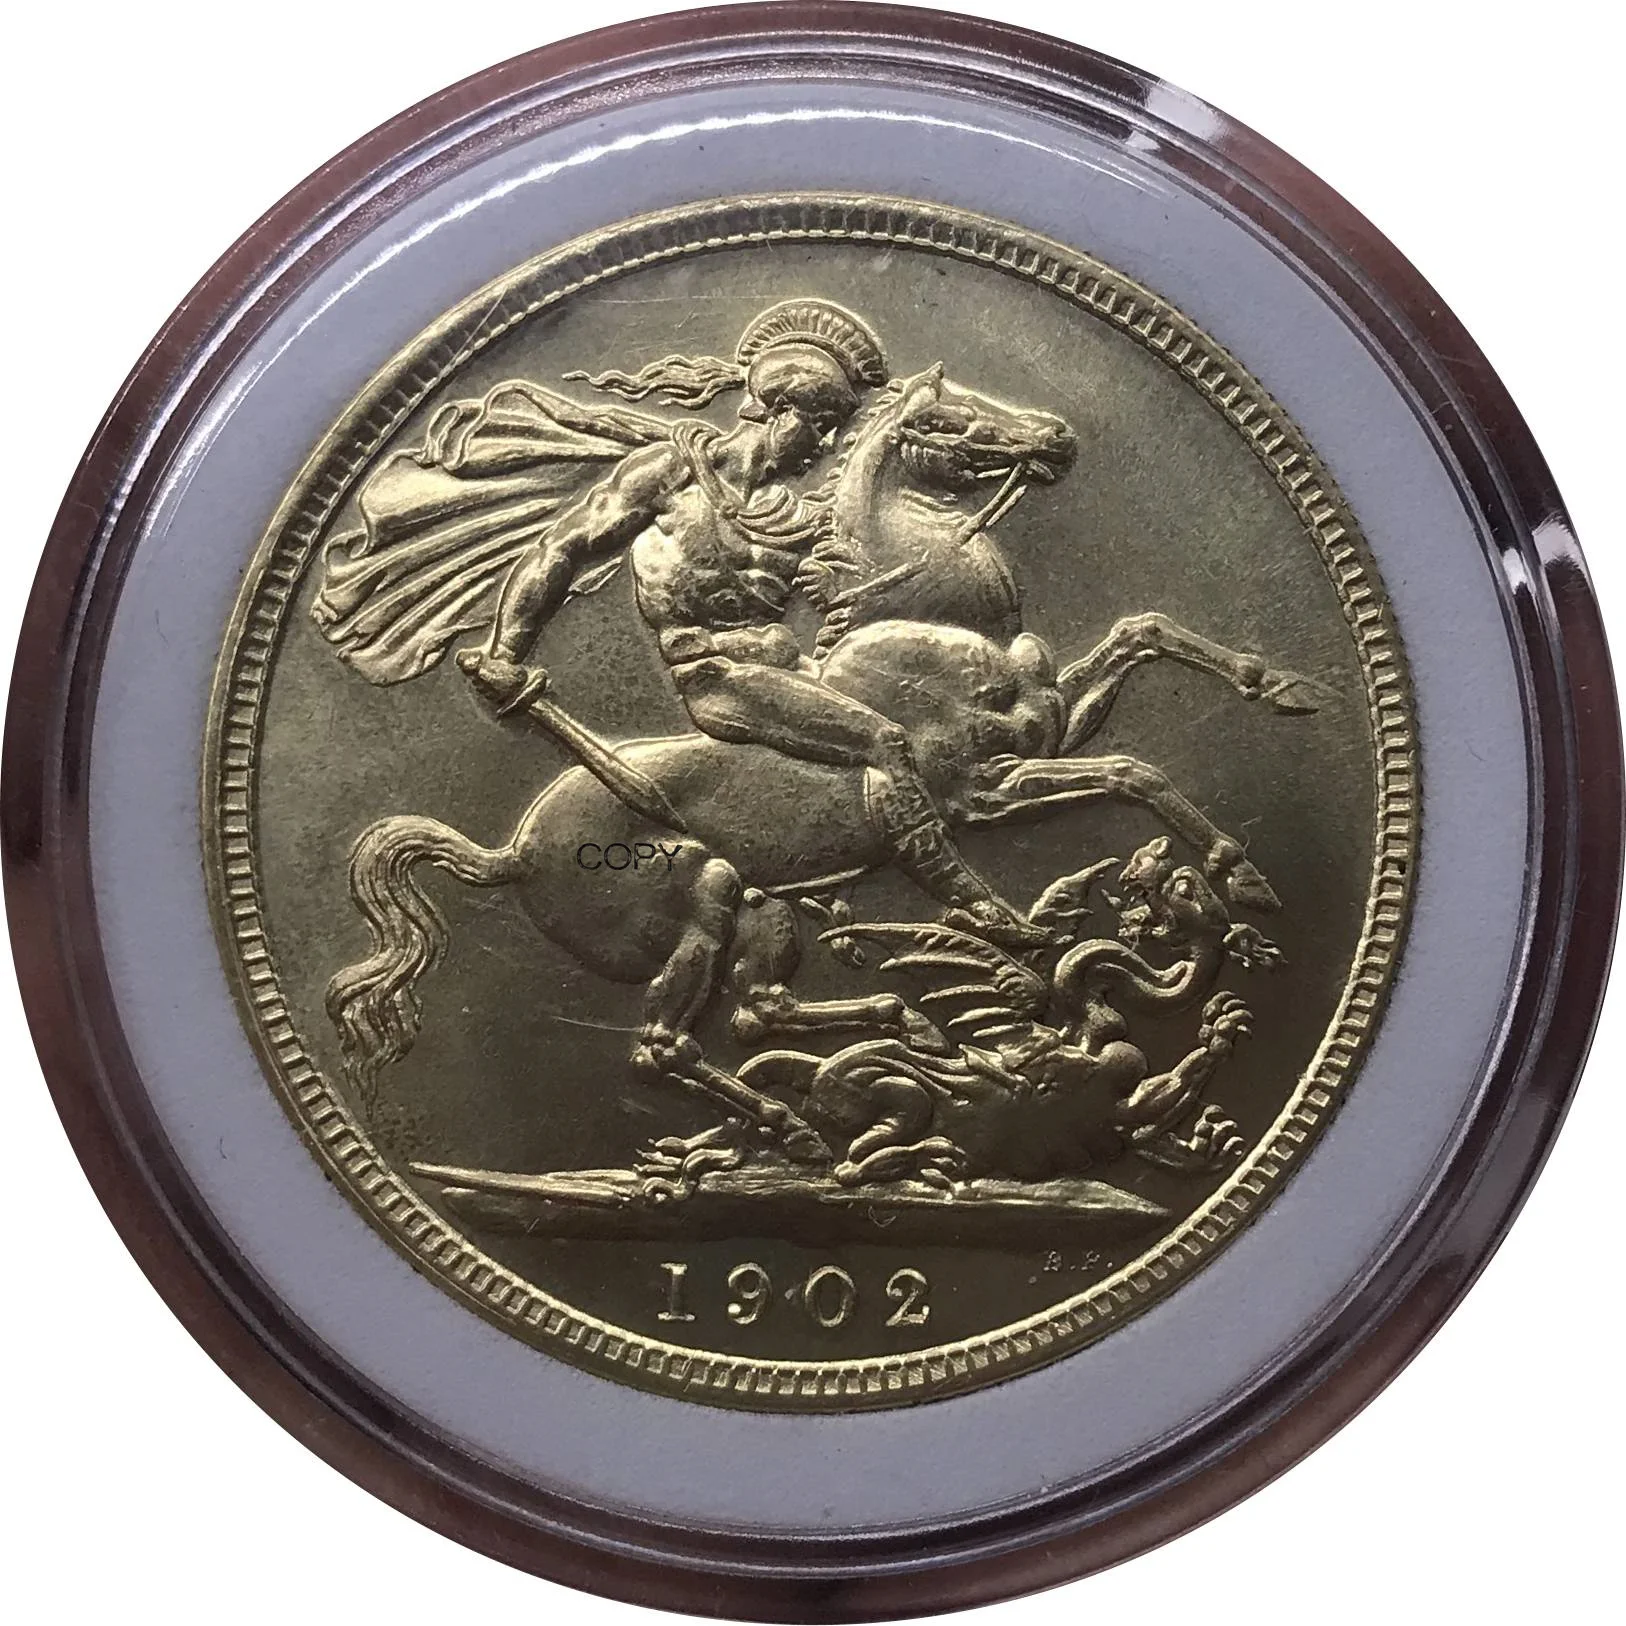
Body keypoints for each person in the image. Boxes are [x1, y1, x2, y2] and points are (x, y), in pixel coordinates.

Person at [461, 300, 1046, 948]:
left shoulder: (795, 511)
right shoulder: (672, 475)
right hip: (717, 678)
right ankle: (971, 903)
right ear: (781, 410)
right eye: (821, 426)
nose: (825, 444)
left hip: (788, 670)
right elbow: (562, 548)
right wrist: (506, 649)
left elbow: (857, 565)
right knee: (886, 740)